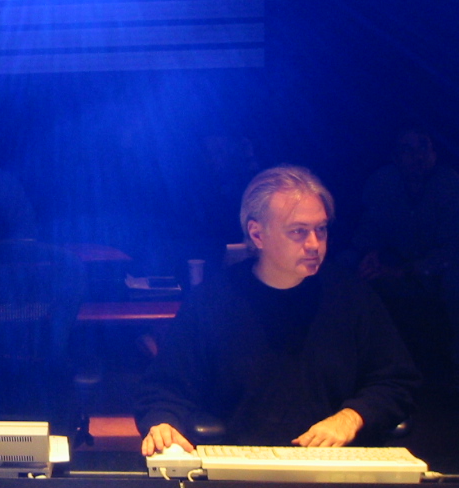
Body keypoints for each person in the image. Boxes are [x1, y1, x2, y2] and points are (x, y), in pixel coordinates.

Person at [136, 165, 420, 455]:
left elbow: (397, 381)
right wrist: (163, 422)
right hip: (238, 462)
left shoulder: (351, 295)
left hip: (336, 461)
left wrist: (351, 417)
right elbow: (164, 389)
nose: (314, 244)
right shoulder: (212, 300)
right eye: (298, 232)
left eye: (321, 230)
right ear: (257, 234)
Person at [351, 129, 459, 387]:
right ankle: (355, 363)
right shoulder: (381, 182)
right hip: (393, 260)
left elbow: (453, 247)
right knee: (345, 266)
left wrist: (407, 270)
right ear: (395, 156)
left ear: (434, 153)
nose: (417, 156)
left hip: (438, 267)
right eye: (407, 150)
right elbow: (369, 227)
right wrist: (369, 255)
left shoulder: (450, 184)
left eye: (423, 147)